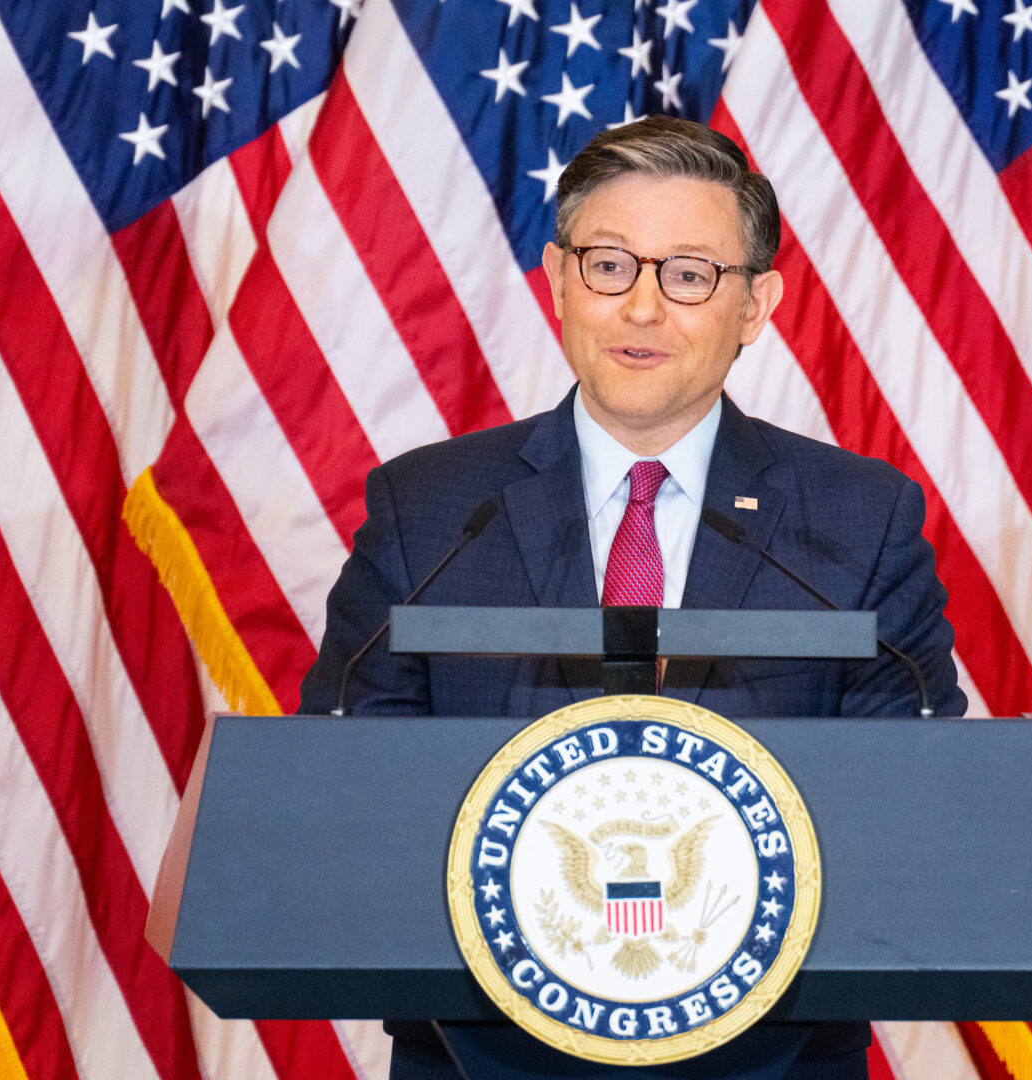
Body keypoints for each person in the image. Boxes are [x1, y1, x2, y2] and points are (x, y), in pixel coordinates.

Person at [299, 115, 966, 1079]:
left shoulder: (861, 522)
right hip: (483, 1056)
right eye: (610, 264)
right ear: (560, 279)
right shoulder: (431, 510)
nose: (643, 309)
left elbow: (906, 815)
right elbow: (353, 799)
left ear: (757, 304)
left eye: (689, 275)